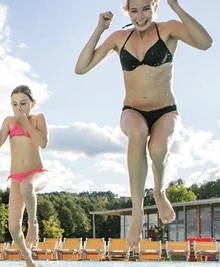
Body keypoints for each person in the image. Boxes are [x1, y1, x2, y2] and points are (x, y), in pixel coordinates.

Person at [74, 0, 212, 247]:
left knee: (158, 149)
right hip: (133, 110)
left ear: (155, 7)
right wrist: (99, 30)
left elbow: (205, 43)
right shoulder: (119, 38)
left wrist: (177, 7)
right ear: (127, 11)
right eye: (134, 10)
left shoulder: (168, 29)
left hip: (165, 111)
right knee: (137, 132)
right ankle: (137, 210)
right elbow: (81, 68)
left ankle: (159, 192)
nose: (140, 16)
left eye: (146, 8)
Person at [0, 85, 49, 267]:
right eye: (14, 104)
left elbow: (43, 143)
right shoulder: (8, 121)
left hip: (37, 173)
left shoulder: (38, 118)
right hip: (16, 177)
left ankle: (33, 222)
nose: (19, 108)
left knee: (27, 185)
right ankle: (27, 256)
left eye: (23, 103)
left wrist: (26, 124)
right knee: (13, 228)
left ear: (32, 103)